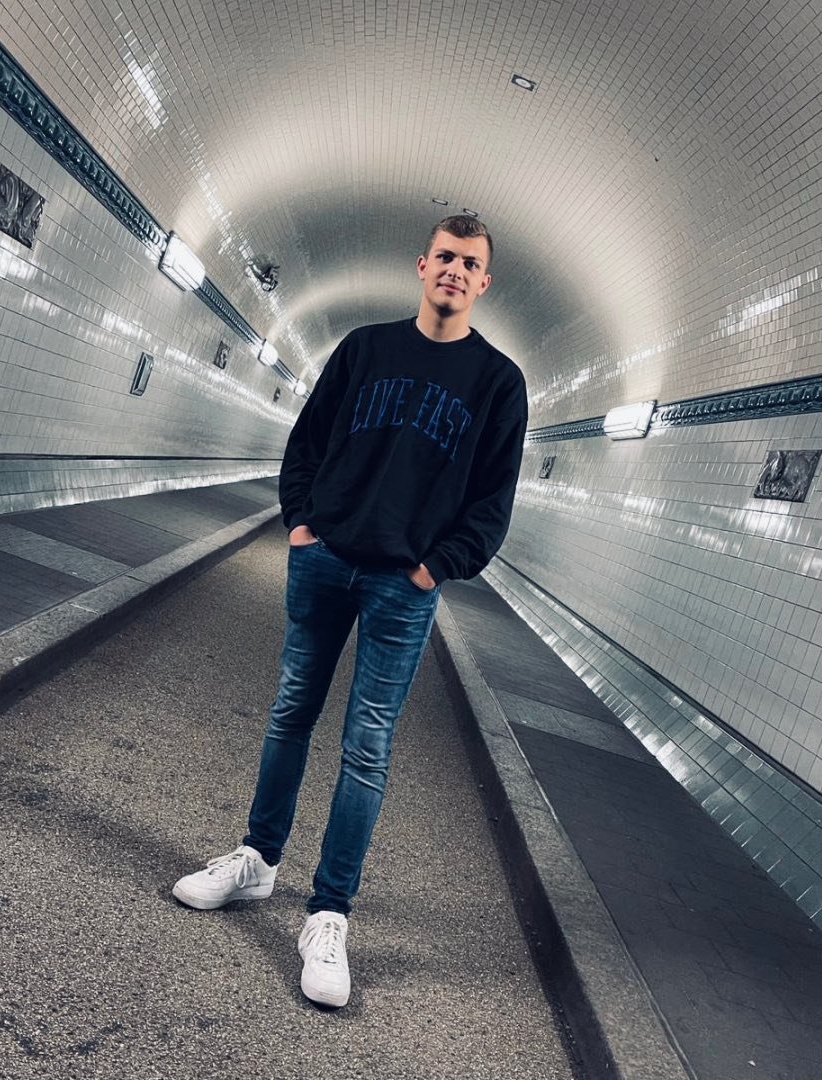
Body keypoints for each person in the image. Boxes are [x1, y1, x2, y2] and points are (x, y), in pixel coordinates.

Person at [172, 215, 528, 1008]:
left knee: (367, 746)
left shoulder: (499, 383)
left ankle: (328, 914)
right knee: (290, 711)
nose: (455, 270)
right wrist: (301, 525)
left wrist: (436, 568)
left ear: (483, 281)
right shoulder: (365, 350)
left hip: (405, 584)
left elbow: (492, 503)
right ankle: (257, 861)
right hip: (327, 558)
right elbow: (305, 444)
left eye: (469, 263)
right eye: (444, 257)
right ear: (422, 265)